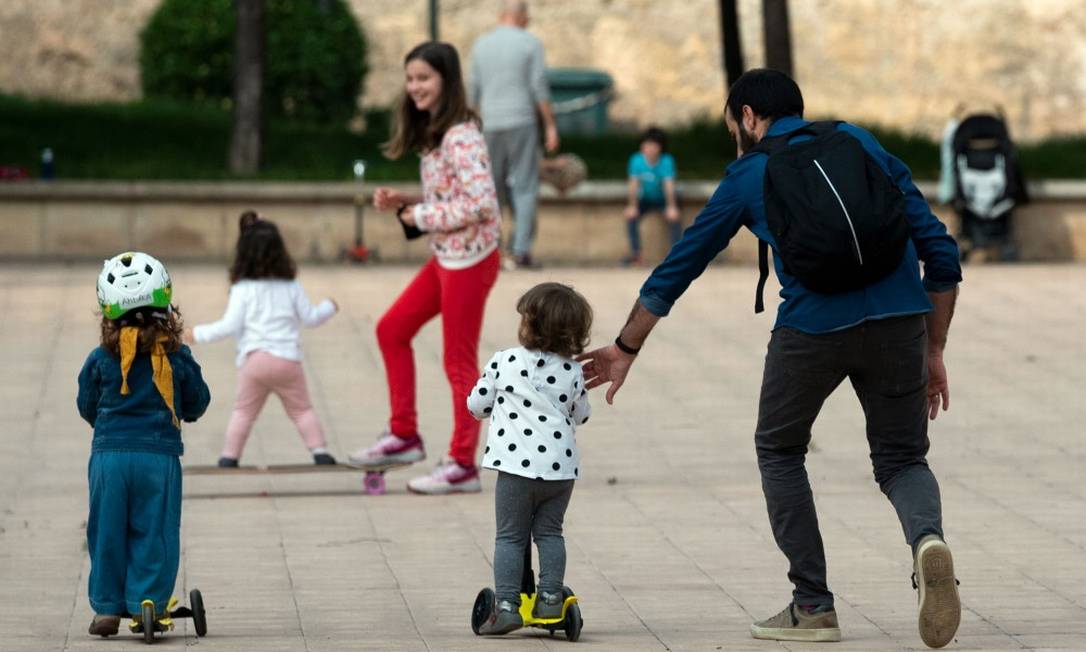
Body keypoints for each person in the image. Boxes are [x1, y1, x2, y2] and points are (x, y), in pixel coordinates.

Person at [577, 69, 964, 648]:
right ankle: (927, 541)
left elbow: (679, 266)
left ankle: (813, 605)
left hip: (812, 329)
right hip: (899, 322)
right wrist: (932, 347)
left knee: (780, 450)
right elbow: (941, 252)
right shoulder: (859, 141)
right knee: (903, 459)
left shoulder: (748, 174)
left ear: (750, 116)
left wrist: (625, 346)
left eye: (734, 123)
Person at [348, 41, 501, 495]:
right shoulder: (439, 132)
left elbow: (482, 203)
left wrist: (420, 217)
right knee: (391, 330)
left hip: (471, 261)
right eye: (410, 78)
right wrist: (408, 203)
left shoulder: (461, 136)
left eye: (423, 78)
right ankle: (404, 435)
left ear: (446, 81)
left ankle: (462, 465)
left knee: (458, 362)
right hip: (448, 257)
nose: (414, 87)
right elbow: (453, 196)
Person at [78, 252, 211, 637]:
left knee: (106, 529)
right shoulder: (177, 355)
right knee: (155, 529)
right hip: (158, 458)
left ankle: (106, 608)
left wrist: (107, 425)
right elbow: (197, 402)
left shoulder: (100, 357)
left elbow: (86, 404)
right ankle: (146, 604)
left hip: (109, 460)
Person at [467, 282, 592, 634]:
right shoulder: (573, 371)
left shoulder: (504, 360)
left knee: (510, 537)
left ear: (529, 324)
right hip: (559, 471)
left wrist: (492, 408)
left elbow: (476, 405)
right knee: (550, 533)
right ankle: (550, 598)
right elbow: (581, 414)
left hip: (515, 470)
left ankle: (506, 604)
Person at [188, 211, 338, 468]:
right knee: (302, 410)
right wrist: (329, 306)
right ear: (281, 253)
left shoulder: (242, 290)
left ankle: (229, 457)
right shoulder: (292, 287)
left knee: (243, 413)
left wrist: (196, 334)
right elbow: (311, 317)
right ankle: (320, 452)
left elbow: (229, 325)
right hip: (287, 361)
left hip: (254, 362)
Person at [469, 0, 559, 270]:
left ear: (501, 15)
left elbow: (472, 89)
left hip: (490, 122)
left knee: (491, 187)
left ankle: (490, 250)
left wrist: (470, 128)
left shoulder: (480, 45)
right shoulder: (530, 43)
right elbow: (539, 87)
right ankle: (520, 252)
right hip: (521, 120)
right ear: (522, 17)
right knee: (525, 186)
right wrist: (551, 126)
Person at [623, 126, 681, 266]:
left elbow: (669, 185)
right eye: (646, 144)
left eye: (652, 145)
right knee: (631, 218)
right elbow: (633, 185)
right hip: (645, 199)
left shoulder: (667, 161)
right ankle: (637, 255)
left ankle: (676, 256)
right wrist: (632, 206)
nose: (648, 148)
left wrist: (671, 206)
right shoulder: (636, 160)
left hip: (662, 199)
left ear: (660, 147)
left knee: (675, 220)